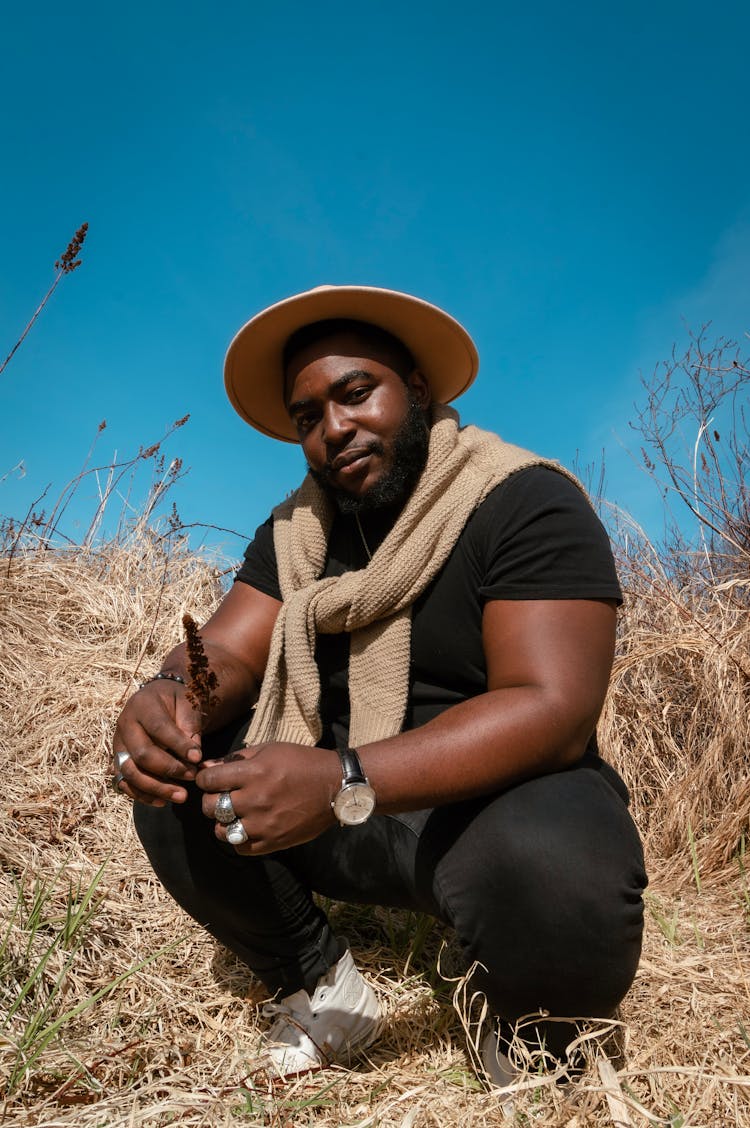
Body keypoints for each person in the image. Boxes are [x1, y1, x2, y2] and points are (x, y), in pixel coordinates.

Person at [112, 284, 647, 1086]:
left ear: (419, 391)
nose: (334, 428)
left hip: (485, 806)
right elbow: (226, 652)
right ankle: (320, 980)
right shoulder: (296, 533)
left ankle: (529, 1032)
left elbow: (553, 708)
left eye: (356, 392)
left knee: (559, 873)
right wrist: (167, 697)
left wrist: (342, 779)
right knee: (174, 772)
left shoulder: (523, 500)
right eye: (306, 417)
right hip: (338, 800)